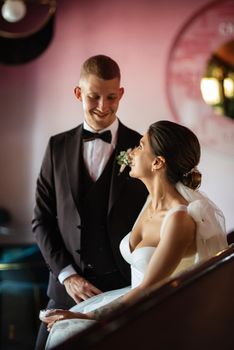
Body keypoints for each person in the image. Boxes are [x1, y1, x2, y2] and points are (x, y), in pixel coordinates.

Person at [42, 120, 228, 349]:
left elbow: (148, 287)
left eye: (140, 146)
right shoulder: (150, 202)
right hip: (132, 300)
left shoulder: (179, 219)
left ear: (158, 163)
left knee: (70, 332)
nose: (132, 152)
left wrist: (88, 318)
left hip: (154, 314)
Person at [32, 55, 148, 349]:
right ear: (78, 93)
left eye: (111, 97)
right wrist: (68, 276)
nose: (103, 106)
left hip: (122, 289)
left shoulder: (141, 147)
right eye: (93, 96)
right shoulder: (56, 147)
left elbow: (152, 215)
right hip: (65, 290)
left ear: (120, 94)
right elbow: (42, 220)